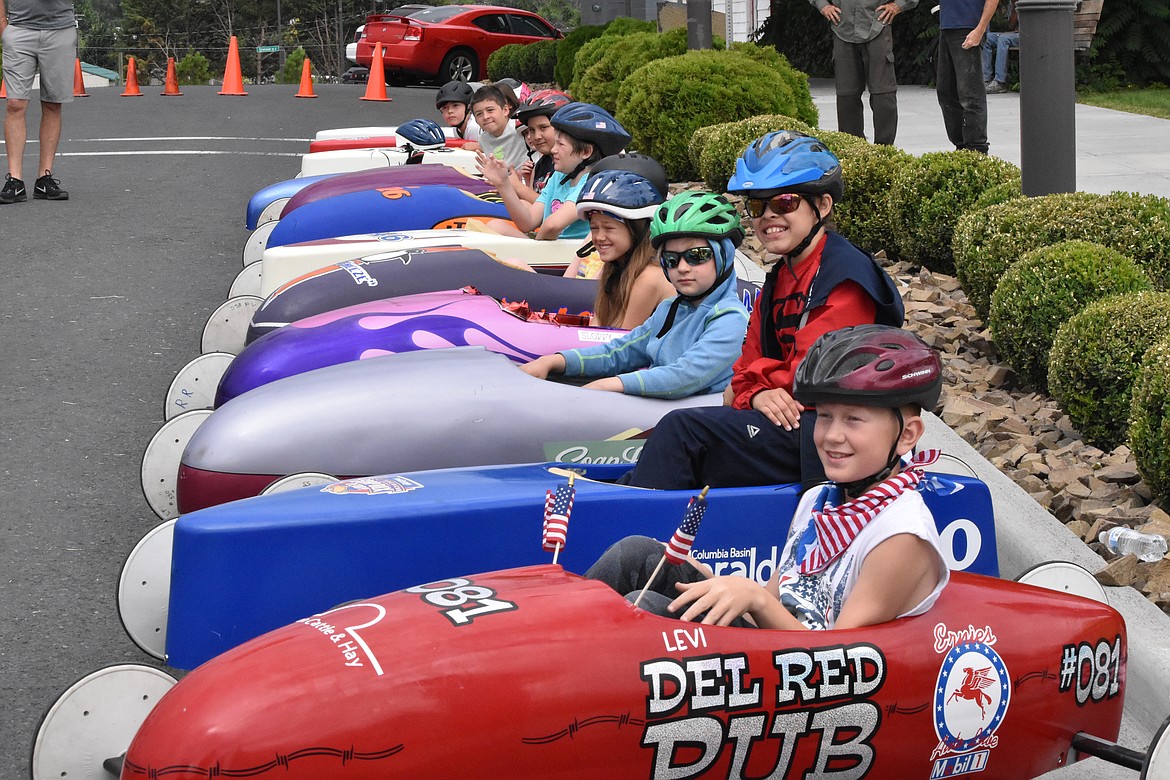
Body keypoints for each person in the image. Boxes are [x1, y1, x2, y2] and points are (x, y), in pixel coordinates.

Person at [587, 324, 949, 632]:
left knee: (645, 608)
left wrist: (755, 598)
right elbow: (779, 601)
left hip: (817, 683)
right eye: (824, 417)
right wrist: (721, 584)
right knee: (639, 554)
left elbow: (842, 656)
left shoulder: (901, 535)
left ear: (907, 435)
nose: (831, 436)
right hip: (779, 651)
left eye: (853, 420)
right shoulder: (819, 499)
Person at [620, 131, 904, 491]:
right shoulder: (783, 274)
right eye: (757, 206)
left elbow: (813, 378)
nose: (769, 216)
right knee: (678, 449)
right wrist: (755, 392)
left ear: (824, 206)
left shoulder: (845, 278)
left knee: (683, 431)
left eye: (784, 202)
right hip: (788, 420)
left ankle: (637, 537)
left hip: (833, 434)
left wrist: (756, 386)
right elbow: (743, 368)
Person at [523, 186, 749, 395]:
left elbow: (685, 376)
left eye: (697, 255)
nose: (682, 268)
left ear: (724, 256)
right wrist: (555, 361)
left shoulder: (729, 318)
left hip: (696, 420)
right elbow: (620, 352)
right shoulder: (670, 309)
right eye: (671, 259)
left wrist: (612, 385)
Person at [479, 102, 631, 242]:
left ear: (586, 151)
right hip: (550, 247)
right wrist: (503, 184)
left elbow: (553, 225)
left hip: (569, 256)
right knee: (495, 226)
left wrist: (535, 250)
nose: (553, 149)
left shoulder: (593, 182)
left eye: (560, 144)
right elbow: (528, 222)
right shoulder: (559, 176)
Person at [809, 0, 918, 145]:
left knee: (883, 94)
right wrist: (823, 5)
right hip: (842, 29)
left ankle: (884, 151)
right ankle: (852, 149)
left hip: (877, 27)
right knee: (847, 96)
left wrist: (897, 5)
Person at [0, 0, 75, 204]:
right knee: (15, 103)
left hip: (60, 29)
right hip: (19, 29)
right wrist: (3, 26)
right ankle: (15, 180)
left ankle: (44, 178)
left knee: (52, 103)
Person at [937, 0, 1000, 153]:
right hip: (948, 26)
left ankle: (977, 149)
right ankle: (961, 146)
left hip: (969, 27)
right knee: (946, 92)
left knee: (971, 94)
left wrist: (980, 29)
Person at [510, 89, 572, 203]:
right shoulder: (540, 164)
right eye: (531, 130)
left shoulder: (570, 167)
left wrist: (517, 187)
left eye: (543, 127)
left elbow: (552, 208)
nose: (536, 136)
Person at [471, 83, 530, 171]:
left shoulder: (520, 128)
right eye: (479, 114)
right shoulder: (483, 139)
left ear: (505, 110)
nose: (485, 117)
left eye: (490, 110)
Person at [982, 0, 1019, 94]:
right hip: (1014, 34)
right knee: (987, 38)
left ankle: (1000, 82)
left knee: (1003, 39)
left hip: (1028, 34)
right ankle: (985, 79)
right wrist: (1015, 7)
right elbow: (1011, 26)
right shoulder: (1012, 3)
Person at [435, 80, 481, 152]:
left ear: (469, 107)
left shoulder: (474, 127)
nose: (450, 111)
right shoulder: (460, 128)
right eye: (445, 108)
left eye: (455, 105)